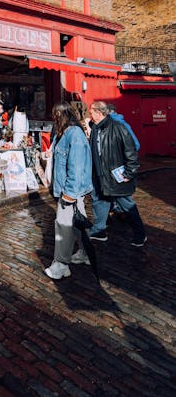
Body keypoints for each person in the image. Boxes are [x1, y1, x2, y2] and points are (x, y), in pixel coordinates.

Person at [44, 102, 93, 280]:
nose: (53, 119)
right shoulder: (62, 134)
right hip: (68, 188)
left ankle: (61, 264)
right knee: (78, 223)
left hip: (71, 190)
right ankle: (85, 252)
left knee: (63, 225)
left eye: (55, 115)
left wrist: (69, 193)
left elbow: (77, 166)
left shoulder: (74, 134)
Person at [88, 100, 146, 247]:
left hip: (116, 177)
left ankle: (140, 234)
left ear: (99, 112)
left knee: (126, 205)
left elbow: (131, 151)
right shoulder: (95, 128)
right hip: (100, 175)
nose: (90, 115)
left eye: (91, 112)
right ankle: (99, 231)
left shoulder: (119, 128)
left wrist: (129, 172)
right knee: (99, 202)